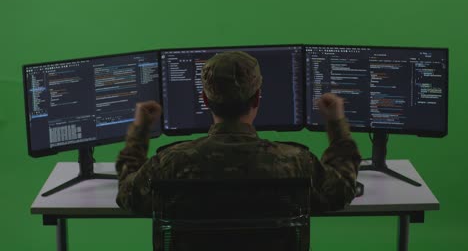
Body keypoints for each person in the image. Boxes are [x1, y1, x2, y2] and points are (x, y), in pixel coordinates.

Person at [115, 51, 361, 215]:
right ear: (257, 97)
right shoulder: (295, 162)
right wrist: (336, 126)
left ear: (205, 99)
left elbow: (128, 195)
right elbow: (341, 191)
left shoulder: (170, 163)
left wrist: (140, 131)